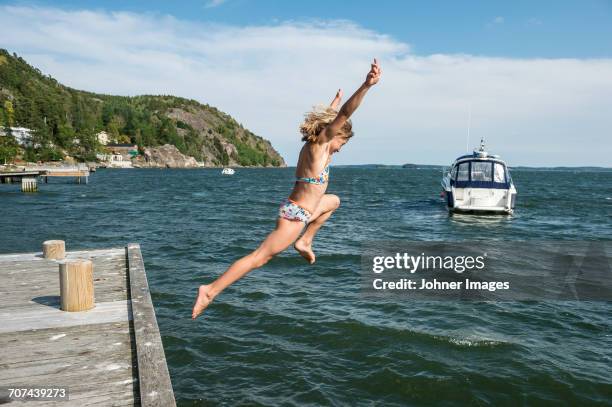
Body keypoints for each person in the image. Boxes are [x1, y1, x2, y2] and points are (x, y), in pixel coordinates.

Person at [192, 58, 382, 319]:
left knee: (334, 201)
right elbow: (344, 115)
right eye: (343, 143)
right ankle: (210, 290)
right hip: (294, 215)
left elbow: (332, 116)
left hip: (306, 210)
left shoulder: (316, 144)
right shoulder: (320, 145)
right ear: (333, 134)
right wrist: (366, 86)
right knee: (259, 258)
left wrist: (334, 101)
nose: (340, 148)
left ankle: (305, 240)